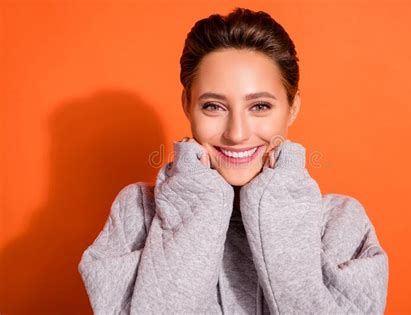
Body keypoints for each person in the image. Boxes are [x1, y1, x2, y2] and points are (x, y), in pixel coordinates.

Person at [78, 7, 389, 314]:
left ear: (292, 107)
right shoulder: (138, 213)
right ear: (187, 105)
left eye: (260, 106)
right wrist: (198, 198)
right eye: (214, 106)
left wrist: (277, 201)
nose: (237, 134)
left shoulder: (340, 223)